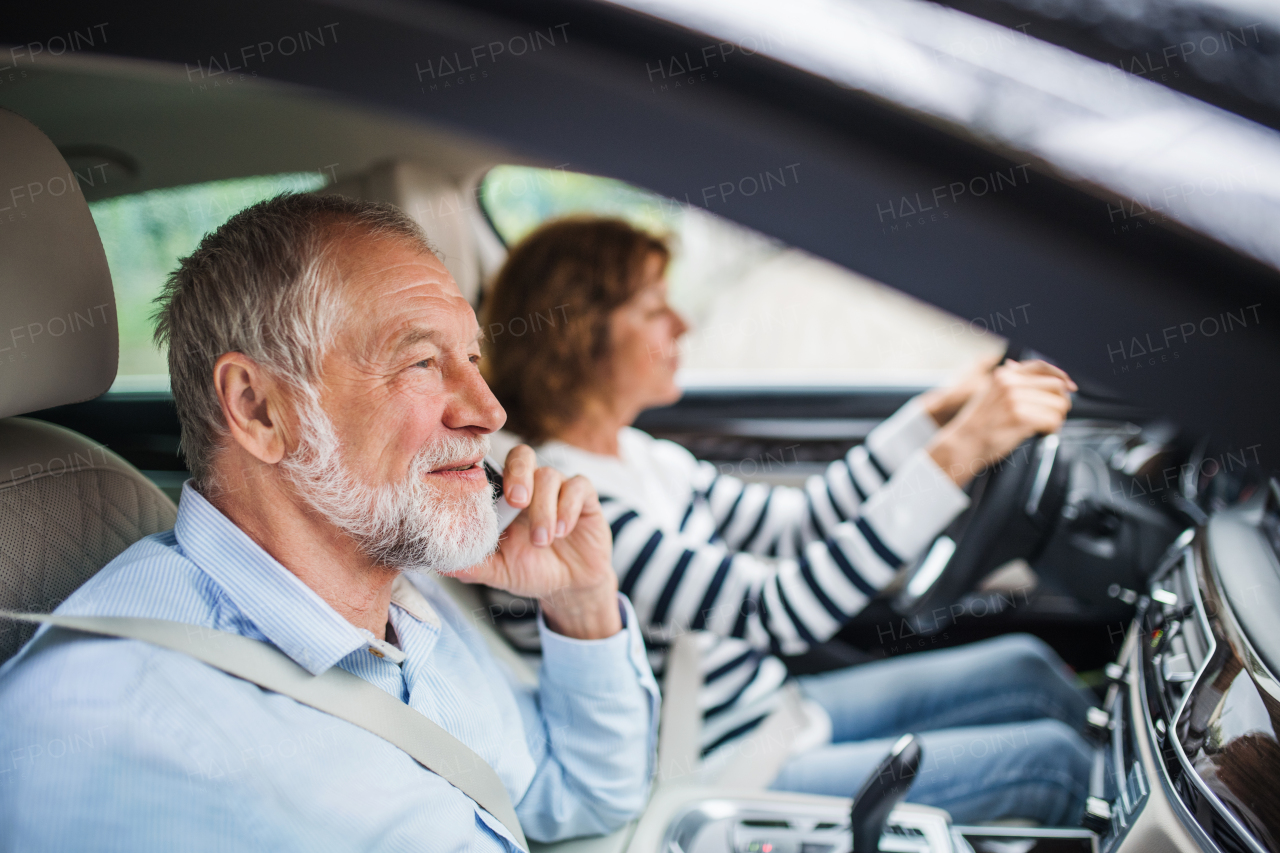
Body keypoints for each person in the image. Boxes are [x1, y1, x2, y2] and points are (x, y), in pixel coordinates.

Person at [0, 196, 659, 852]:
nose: (488, 410)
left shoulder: (406, 596)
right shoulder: (113, 732)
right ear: (260, 410)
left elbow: (572, 793)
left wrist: (581, 603)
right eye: (424, 362)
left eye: (474, 360)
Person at [480, 216, 1094, 825]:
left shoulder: (637, 455)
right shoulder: (567, 502)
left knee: (1027, 667)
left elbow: (797, 525)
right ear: (579, 334)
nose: (682, 324)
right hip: (717, 764)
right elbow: (777, 610)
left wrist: (933, 416)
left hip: (775, 715)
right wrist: (961, 452)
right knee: (1055, 766)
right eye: (652, 308)